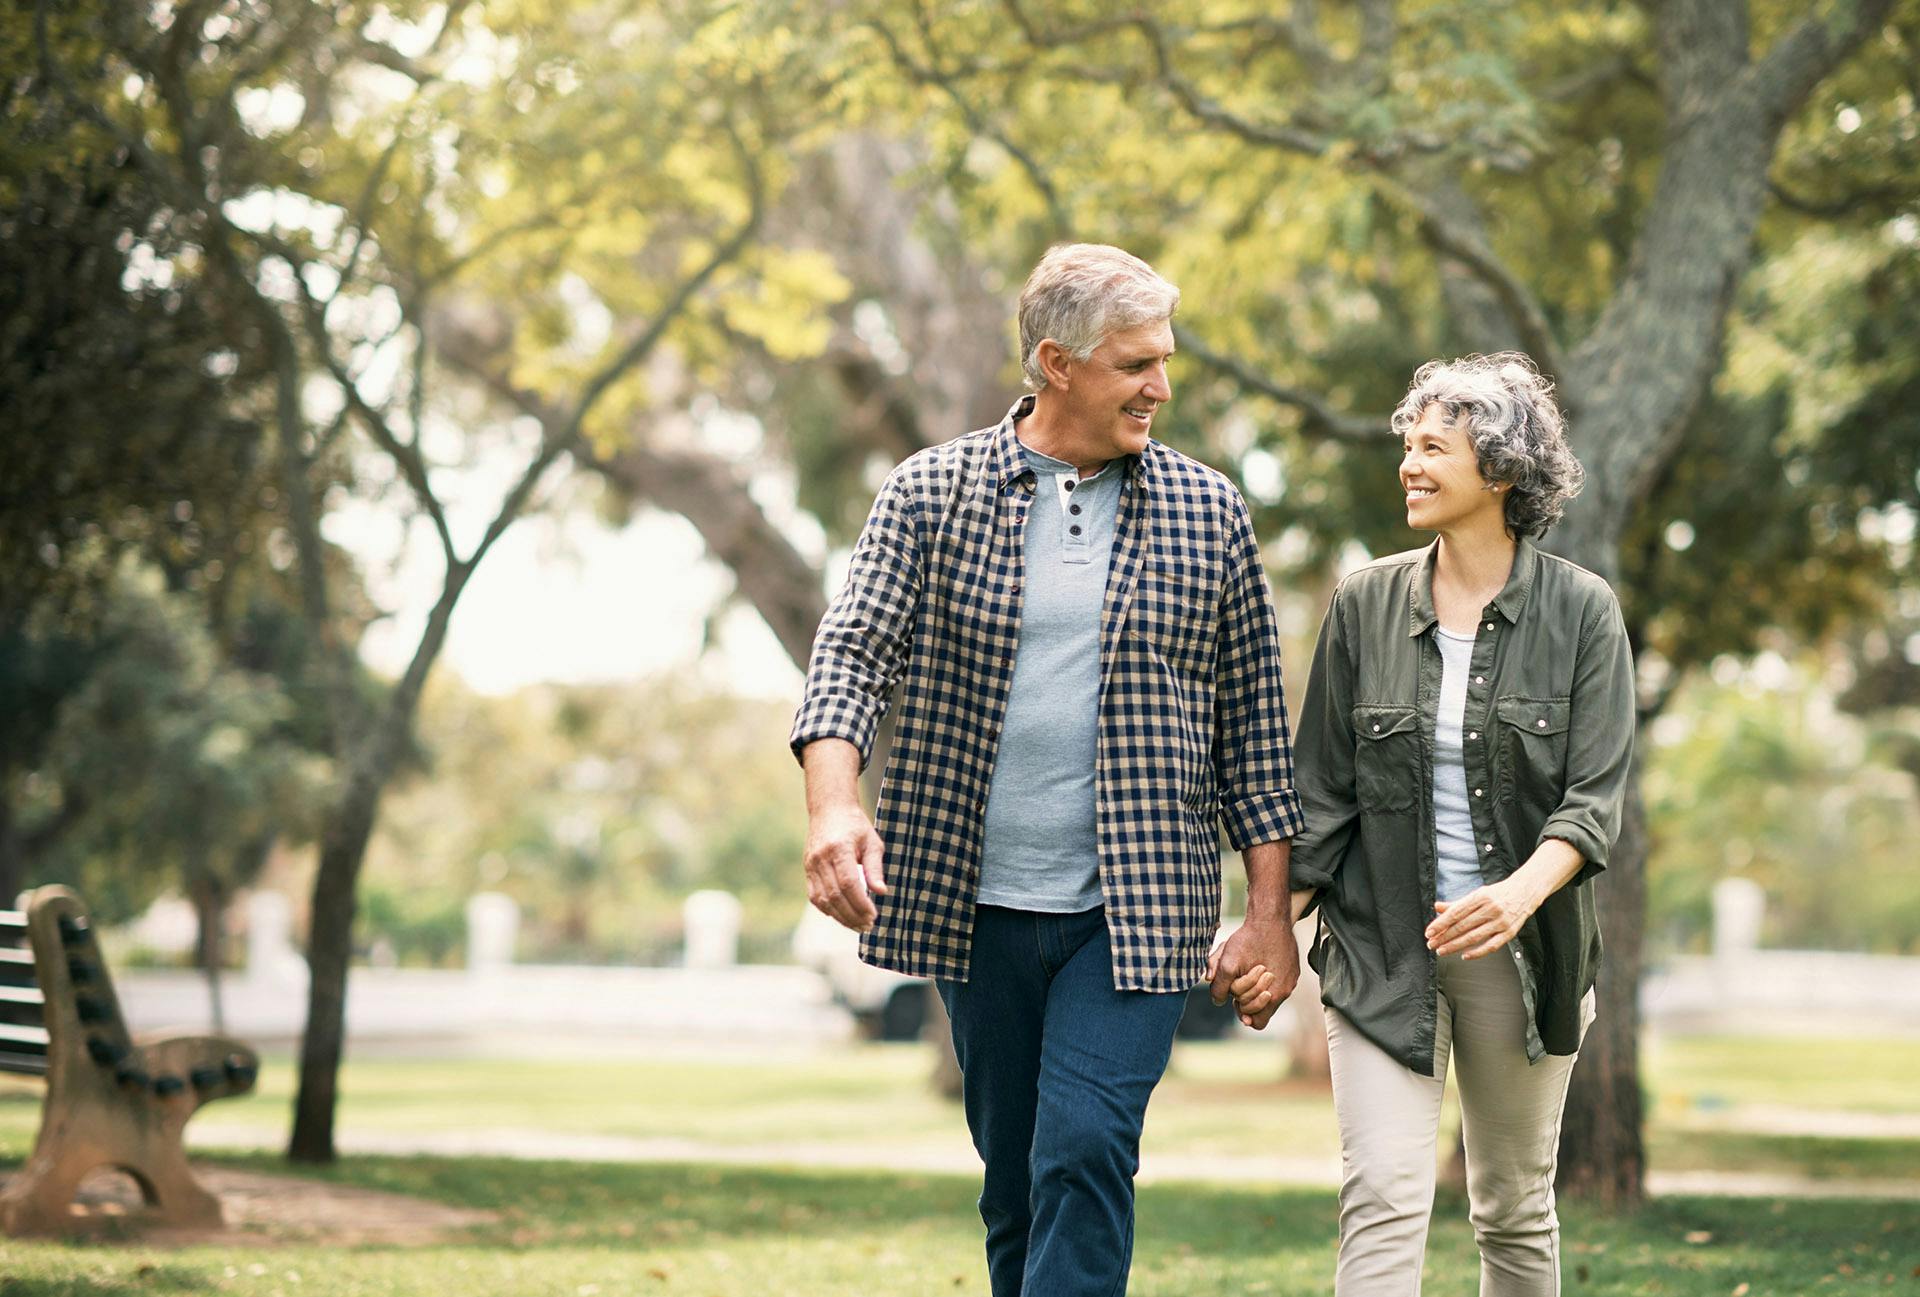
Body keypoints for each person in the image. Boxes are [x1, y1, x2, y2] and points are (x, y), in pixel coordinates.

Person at [790, 243, 1305, 1297]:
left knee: (1083, 1149)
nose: (1160, 386)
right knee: (1018, 1177)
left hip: (1139, 908)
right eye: (1134, 365)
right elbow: (853, 653)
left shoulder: (1208, 512)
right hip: (975, 906)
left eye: (1163, 361)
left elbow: (1254, 725)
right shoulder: (931, 493)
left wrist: (1268, 914)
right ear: (1055, 364)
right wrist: (834, 805)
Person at [1269, 353, 1635, 1295]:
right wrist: (1267, 926)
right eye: (1407, 445)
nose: (1410, 464)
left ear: (1502, 471)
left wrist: (1514, 897)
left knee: (1512, 1207)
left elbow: (1592, 799)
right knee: (1383, 1193)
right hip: (1380, 945)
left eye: (1434, 446)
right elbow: (1322, 799)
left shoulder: (1583, 610)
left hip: (1525, 953)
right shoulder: (1364, 604)